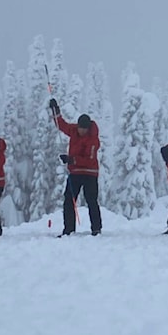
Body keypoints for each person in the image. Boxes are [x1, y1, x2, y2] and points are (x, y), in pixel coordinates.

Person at [50, 98, 102, 236]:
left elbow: (89, 160)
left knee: (91, 200)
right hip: (75, 173)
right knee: (69, 200)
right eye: (80, 128)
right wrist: (56, 112)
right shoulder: (74, 130)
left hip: (90, 173)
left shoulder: (93, 140)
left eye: (84, 129)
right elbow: (62, 125)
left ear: (88, 128)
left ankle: (96, 229)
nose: (81, 131)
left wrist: (71, 159)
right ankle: (69, 230)